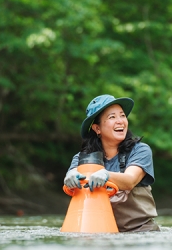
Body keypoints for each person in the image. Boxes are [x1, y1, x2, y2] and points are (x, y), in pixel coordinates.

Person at [64, 94, 159, 232]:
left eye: (122, 116)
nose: (120, 121)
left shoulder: (140, 150)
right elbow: (71, 175)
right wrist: (70, 177)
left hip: (140, 231)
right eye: (112, 117)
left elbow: (130, 180)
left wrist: (106, 175)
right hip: (100, 231)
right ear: (97, 129)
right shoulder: (81, 158)